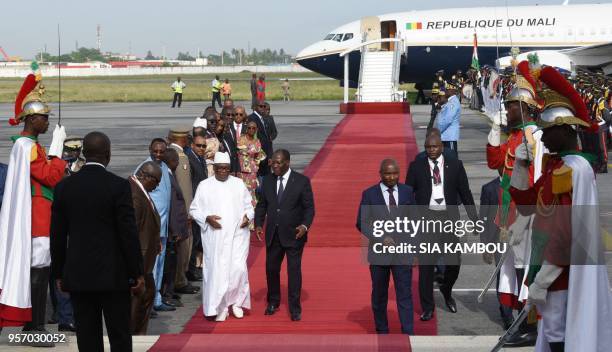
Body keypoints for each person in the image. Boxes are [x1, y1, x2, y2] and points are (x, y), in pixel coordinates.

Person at [508, 65, 612, 352]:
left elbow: (566, 233)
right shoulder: (558, 166)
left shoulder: (571, 169)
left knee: (557, 332)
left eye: (548, 131)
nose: (542, 138)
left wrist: (544, 277)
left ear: (566, 130)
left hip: (561, 270)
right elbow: (529, 205)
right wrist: (520, 166)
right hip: (549, 264)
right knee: (554, 329)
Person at [50, 131, 144, 352]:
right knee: (119, 334)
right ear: (108, 154)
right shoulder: (118, 186)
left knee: (87, 336)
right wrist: (136, 271)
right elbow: (127, 233)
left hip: (79, 275)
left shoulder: (65, 187)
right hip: (114, 275)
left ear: (84, 154)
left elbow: (57, 235)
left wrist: (59, 273)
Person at [0, 73, 67, 346]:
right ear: (31, 120)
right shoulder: (30, 148)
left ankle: (33, 325)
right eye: (44, 118)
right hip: (37, 215)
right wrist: (57, 149)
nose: (48, 122)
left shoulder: (26, 146)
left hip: (36, 213)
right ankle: (34, 329)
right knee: (39, 274)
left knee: (39, 274)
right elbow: (50, 178)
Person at [486, 61, 545, 347]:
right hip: (508, 214)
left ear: (524, 108)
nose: (506, 110)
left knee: (525, 269)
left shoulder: (536, 138)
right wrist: (495, 131)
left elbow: (536, 178)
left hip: (526, 215)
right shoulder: (515, 136)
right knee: (513, 269)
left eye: (510, 106)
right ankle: (520, 320)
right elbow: (494, 163)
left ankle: (531, 323)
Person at [405, 133, 478, 321]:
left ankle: (446, 289)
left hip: (448, 219)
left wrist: (473, 218)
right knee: (426, 267)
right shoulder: (416, 167)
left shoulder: (455, 165)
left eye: (435, 147)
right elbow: (407, 193)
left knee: (454, 263)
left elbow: (465, 192)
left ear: (442, 147)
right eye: (428, 147)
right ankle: (428, 307)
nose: (431, 151)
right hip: (426, 219)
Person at [190, 152, 254, 321]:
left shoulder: (239, 184)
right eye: (220, 169)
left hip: (237, 236)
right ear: (215, 168)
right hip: (215, 238)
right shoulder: (204, 185)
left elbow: (249, 206)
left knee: (238, 269)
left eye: (226, 168)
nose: (223, 171)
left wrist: (248, 216)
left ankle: (237, 303)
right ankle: (220, 306)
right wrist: (207, 218)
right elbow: (194, 209)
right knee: (217, 272)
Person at [356, 158, 415, 334]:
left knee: (404, 294)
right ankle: (382, 329)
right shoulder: (369, 194)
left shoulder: (407, 191)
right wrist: (380, 237)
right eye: (388, 173)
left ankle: (408, 331)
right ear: (380, 174)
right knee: (379, 295)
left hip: (402, 253)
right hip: (379, 254)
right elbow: (362, 222)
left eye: (395, 173)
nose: (391, 177)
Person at [255, 149, 315, 321]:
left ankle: (295, 307)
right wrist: (259, 224)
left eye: (278, 162)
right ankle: (273, 301)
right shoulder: (267, 181)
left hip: (294, 234)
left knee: (293, 271)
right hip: (273, 234)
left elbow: (309, 208)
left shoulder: (301, 181)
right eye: (273, 162)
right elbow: (262, 205)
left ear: (288, 162)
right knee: (271, 269)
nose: (275, 165)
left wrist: (304, 226)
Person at [136, 138, 172, 312]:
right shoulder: (145, 168)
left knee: (160, 265)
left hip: (163, 227)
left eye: (161, 151)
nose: (158, 154)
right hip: (151, 228)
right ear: (149, 149)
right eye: (155, 151)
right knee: (151, 267)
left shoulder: (164, 167)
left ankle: (156, 299)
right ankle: (148, 302)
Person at [129, 161, 162, 335]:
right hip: (139, 261)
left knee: (146, 296)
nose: (156, 187)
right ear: (146, 177)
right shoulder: (135, 195)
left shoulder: (140, 191)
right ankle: (133, 337)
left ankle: (138, 335)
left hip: (145, 260)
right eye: (156, 183)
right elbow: (131, 231)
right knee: (138, 301)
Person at [479, 170, 514, 330]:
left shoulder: (525, 184)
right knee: (504, 275)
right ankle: (507, 315)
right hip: (499, 239)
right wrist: (486, 245)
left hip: (521, 238)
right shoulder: (488, 189)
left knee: (521, 277)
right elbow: (484, 219)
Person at [167, 128, 199, 296]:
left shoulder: (170, 154)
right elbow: (185, 190)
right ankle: (180, 280)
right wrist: (189, 212)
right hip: (181, 211)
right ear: (183, 139)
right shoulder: (181, 158)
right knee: (183, 246)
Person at [162, 148, 191, 309]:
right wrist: (175, 230)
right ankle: (166, 294)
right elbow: (171, 205)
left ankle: (170, 292)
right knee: (169, 265)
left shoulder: (169, 174)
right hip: (172, 230)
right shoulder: (166, 175)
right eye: (176, 161)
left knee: (172, 262)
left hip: (174, 228)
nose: (178, 164)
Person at [186, 133, 208, 282]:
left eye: (204, 146)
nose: (201, 148)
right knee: (193, 239)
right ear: (192, 145)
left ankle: (194, 268)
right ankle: (191, 271)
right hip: (194, 204)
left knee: (197, 238)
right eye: (199, 145)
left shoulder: (200, 159)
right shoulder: (190, 159)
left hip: (201, 204)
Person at [238, 120, 267, 213]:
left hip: (252, 173)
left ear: (256, 129)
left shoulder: (257, 141)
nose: (251, 129)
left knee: (252, 193)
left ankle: (251, 219)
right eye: (249, 128)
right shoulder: (240, 139)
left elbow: (260, 156)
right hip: (241, 172)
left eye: (253, 128)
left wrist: (255, 164)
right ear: (246, 129)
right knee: (241, 194)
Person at [249, 101, 273, 177]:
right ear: (255, 107)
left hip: (266, 155)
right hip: (259, 155)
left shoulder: (264, 118)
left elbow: (268, 139)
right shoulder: (252, 118)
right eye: (260, 106)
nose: (263, 108)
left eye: (264, 106)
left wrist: (270, 155)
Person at [437, 83, 461, 158]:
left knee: (452, 159)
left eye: (447, 90)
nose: (446, 91)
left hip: (449, 137)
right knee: (447, 160)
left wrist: (437, 131)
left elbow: (447, 120)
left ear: (452, 90)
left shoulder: (453, 103)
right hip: (446, 136)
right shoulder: (449, 102)